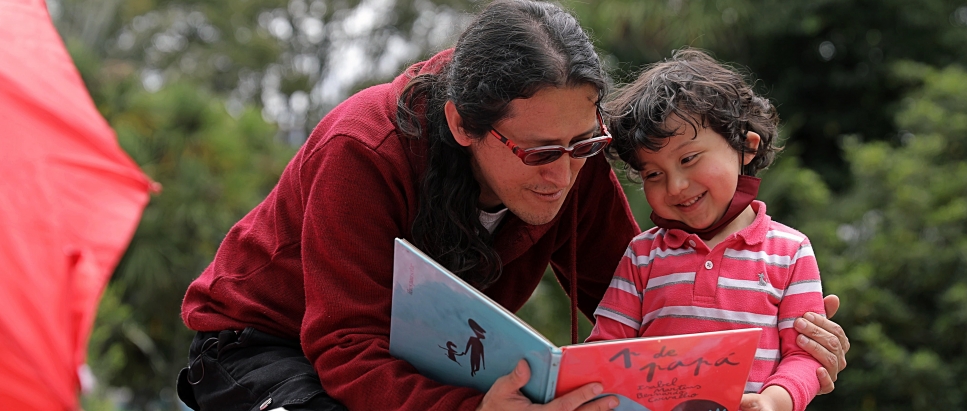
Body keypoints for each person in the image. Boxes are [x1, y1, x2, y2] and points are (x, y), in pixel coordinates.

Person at [176, 2, 849, 410]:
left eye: (582, 142)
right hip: (265, 347)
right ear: (462, 124)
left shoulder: (573, 155)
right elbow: (344, 344)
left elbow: (650, 300)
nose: (564, 175)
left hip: (429, 366)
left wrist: (780, 333)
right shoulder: (364, 149)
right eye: (537, 153)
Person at [587, 48, 830, 411]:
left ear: (746, 146)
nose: (675, 187)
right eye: (654, 174)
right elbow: (607, 348)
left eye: (688, 159)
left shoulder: (790, 251)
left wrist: (772, 402)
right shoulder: (643, 254)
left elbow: (806, 356)